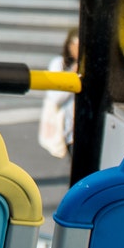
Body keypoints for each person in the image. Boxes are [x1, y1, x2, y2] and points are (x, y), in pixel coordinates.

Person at [37, 28, 81, 160]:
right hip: (68, 128)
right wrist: (72, 76)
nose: (78, 49)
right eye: (75, 45)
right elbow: (55, 97)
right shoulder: (59, 64)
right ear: (69, 45)